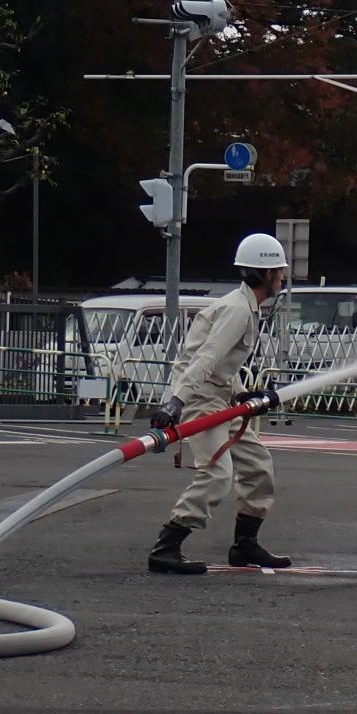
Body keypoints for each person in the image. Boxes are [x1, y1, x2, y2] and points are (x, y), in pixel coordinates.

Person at [146, 232, 291, 575]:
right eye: (279, 272)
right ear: (265, 275)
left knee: (257, 466)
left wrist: (241, 393)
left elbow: (226, 363)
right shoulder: (238, 311)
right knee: (217, 474)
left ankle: (245, 546)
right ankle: (166, 548)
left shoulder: (247, 306)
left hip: (220, 398)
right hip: (200, 400)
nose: (282, 278)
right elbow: (206, 359)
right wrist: (177, 402)